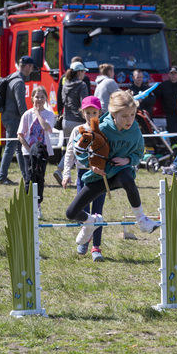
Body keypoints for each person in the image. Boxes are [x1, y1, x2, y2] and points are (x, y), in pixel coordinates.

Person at [66, 90, 160, 246]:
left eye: (132, 114)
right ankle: (91, 222)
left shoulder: (135, 130)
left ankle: (142, 220)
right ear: (113, 113)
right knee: (71, 213)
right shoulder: (100, 127)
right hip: (99, 177)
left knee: (127, 177)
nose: (129, 120)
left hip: (119, 174)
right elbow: (78, 148)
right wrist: (92, 165)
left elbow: (139, 154)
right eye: (124, 116)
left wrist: (128, 159)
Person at [62, 96, 106, 261]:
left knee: (98, 212)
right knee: (83, 210)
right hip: (83, 175)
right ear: (82, 113)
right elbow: (69, 153)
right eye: (87, 112)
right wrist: (66, 173)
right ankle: (85, 238)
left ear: (99, 113)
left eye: (94, 112)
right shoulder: (77, 130)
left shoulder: (103, 130)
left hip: (100, 176)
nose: (90, 115)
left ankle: (97, 248)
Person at [0, 56, 38, 185]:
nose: (32, 71)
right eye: (31, 67)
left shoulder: (12, 77)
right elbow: (21, 105)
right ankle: (2, 177)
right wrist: (28, 118)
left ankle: (26, 176)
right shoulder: (19, 82)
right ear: (27, 66)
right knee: (11, 146)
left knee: (19, 148)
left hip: (7, 117)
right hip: (13, 119)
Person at [17, 86, 55, 219]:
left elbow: (46, 127)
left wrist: (38, 113)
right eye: (37, 96)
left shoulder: (50, 114)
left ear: (46, 99)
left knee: (39, 178)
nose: (39, 99)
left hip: (42, 152)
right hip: (28, 153)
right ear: (32, 98)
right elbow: (20, 135)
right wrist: (29, 150)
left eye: (42, 97)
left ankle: (37, 206)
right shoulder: (27, 114)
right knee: (29, 178)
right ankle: (27, 206)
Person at [53, 61, 89, 185]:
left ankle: (61, 171)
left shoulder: (65, 83)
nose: (84, 74)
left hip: (66, 121)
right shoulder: (82, 85)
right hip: (77, 121)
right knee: (78, 149)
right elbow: (84, 104)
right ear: (79, 72)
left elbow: (62, 101)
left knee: (70, 149)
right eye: (83, 71)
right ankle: (64, 171)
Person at [155, 66, 177, 148]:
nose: (173, 75)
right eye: (171, 73)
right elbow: (154, 96)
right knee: (173, 134)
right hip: (170, 114)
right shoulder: (163, 86)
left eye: (175, 73)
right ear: (168, 74)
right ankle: (174, 152)